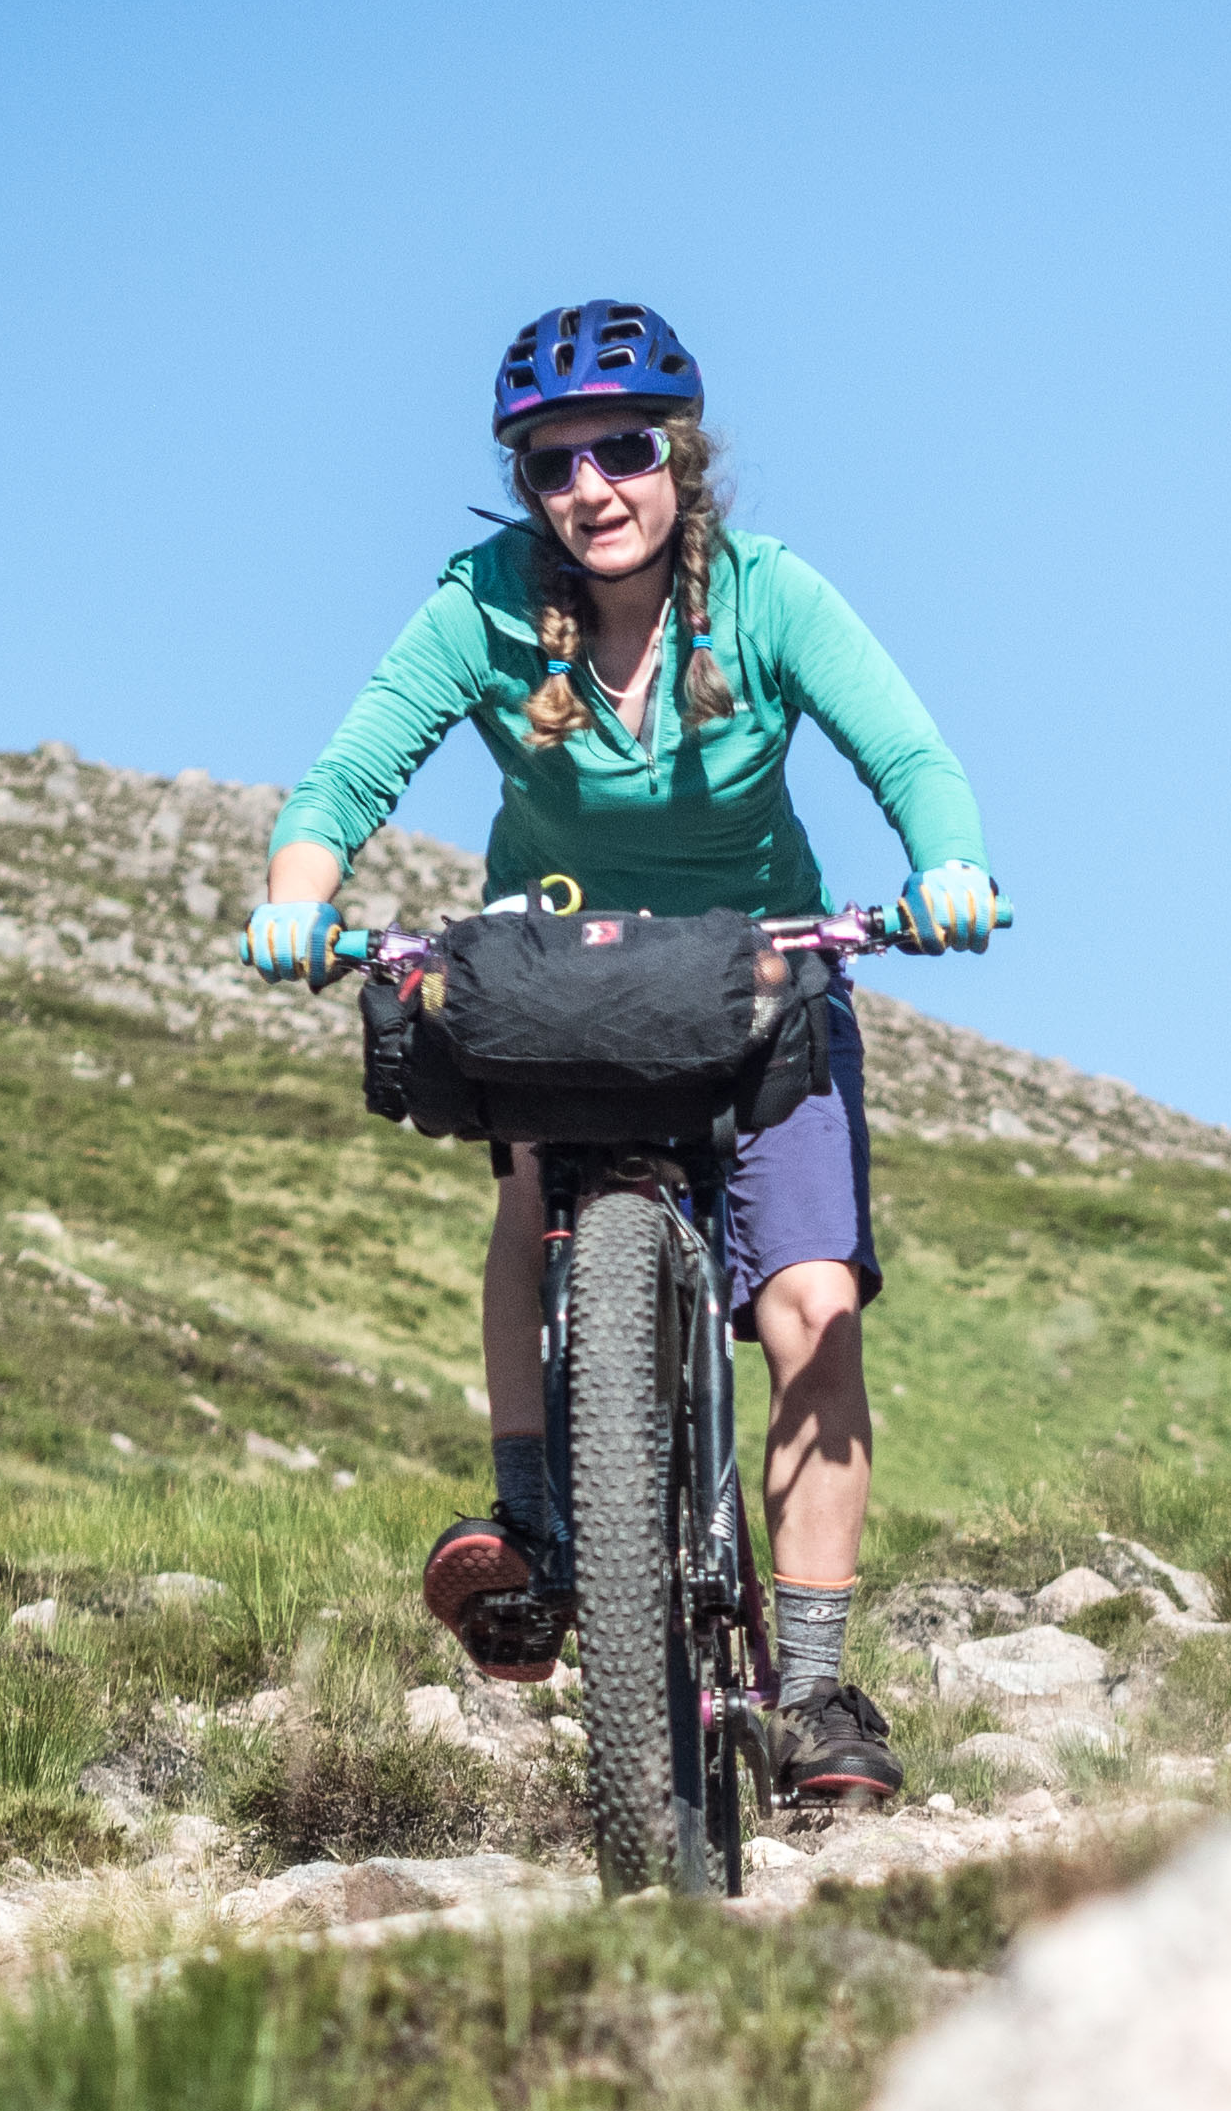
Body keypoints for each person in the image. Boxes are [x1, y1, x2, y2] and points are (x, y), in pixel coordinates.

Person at [239, 299, 1000, 1809]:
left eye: (625, 451)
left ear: (681, 459)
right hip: (565, 980)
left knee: (812, 1305)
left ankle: (816, 1686)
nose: (592, 489)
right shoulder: (482, 607)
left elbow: (910, 756)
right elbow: (347, 777)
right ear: (526, 489)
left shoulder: (769, 599)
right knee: (533, 1199)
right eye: (553, 465)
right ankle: (535, 1525)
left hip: (758, 980)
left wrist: (951, 867)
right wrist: (295, 899)